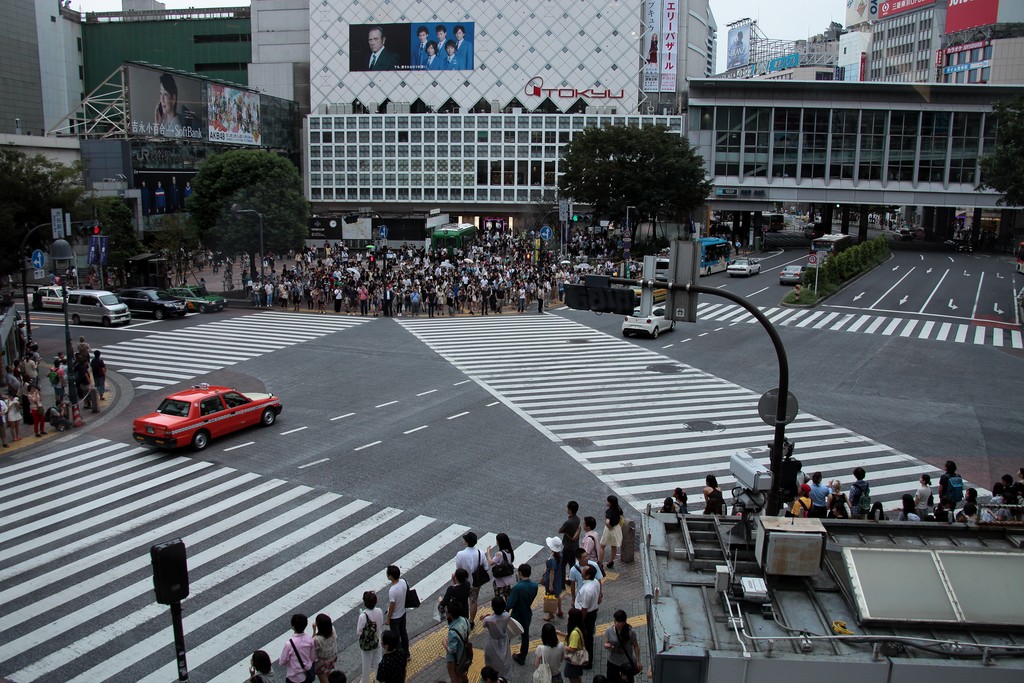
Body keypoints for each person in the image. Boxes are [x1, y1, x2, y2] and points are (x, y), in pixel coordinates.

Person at [455, 531, 490, 627]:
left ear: (466, 542)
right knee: (473, 601)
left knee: (462, 601)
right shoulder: (480, 553)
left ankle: (463, 621)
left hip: (463, 582)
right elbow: (486, 568)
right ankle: (471, 621)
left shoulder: (460, 554)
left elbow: (458, 569)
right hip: (475, 583)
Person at [507, 563, 539, 665]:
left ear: (520, 573)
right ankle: (522, 656)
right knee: (525, 636)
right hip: (527, 614)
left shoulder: (517, 588)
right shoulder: (535, 586)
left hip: (516, 615)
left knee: (507, 635)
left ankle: (505, 654)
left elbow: (510, 604)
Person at [604, 609, 641, 683]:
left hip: (626, 663)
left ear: (624, 622)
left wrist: (638, 661)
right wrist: (607, 646)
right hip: (613, 661)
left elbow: (636, 646)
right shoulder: (609, 630)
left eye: (619, 622)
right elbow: (605, 643)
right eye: (615, 621)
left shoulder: (630, 632)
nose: (617, 624)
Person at [153, 72, 196, 137]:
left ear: (173, 98)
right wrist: (157, 124)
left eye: (165, 94)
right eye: (160, 94)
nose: (162, 99)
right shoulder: (164, 122)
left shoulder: (179, 128)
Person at [574, 565, 600, 668]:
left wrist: (580, 620)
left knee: (586, 638)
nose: (581, 571)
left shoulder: (587, 590)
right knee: (588, 636)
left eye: (584, 571)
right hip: (592, 612)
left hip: (587, 615)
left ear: (588, 575)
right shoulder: (595, 582)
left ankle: (588, 661)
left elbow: (584, 609)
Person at [279, 613, 316, 683]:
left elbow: (282, 661)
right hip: (307, 675)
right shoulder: (310, 640)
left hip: (293, 677)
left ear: (292, 626)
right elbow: (313, 657)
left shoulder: (289, 644)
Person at [357, 591, 384, 683]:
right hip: (377, 640)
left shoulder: (362, 616)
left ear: (365, 603)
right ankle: (378, 679)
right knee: (378, 661)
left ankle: (365, 681)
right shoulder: (379, 611)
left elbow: (359, 632)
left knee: (366, 665)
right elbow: (380, 624)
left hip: (366, 645)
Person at [483, 595, 513, 678]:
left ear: (493, 607)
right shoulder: (507, 616)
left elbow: (484, 624)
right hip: (504, 640)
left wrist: (487, 616)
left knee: (491, 660)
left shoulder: (488, 620)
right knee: (505, 659)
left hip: (492, 642)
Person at [384, 565, 410, 659]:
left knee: (396, 638)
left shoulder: (392, 590)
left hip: (395, 617)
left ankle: (400, 656)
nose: (387, 575)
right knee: (404, 633)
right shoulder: (403, 582)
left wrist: (388, 619)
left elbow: (392, 607)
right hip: (403, 613)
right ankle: (406, 653)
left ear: (391, 576)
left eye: (388, 574)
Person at [445, 601, 471, 683]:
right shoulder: (465, 620)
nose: (445, 613)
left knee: (454, 677)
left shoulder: (452, 631)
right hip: (464, 653)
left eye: (447, 612)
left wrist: (444, 643)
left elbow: (452, 650)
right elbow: (468, 631)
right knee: (463, 672)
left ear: (450, 614)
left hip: (455, 658)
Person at [557, 501, 581, 590]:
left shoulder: (568, 522)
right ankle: (572, 582)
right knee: (572, 564)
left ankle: (562, 584)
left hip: (568, 547)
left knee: (562, 565)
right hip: (575, 546)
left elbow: (560, 530)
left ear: (570, 510)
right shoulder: (577, 519)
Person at [541, 536, 565, 621]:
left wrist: (550, 584)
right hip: (558, 579)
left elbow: (552, 572)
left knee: (550, 596)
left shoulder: (552, 559)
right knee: (557, 595)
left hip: (552, 580)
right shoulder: (560, 556)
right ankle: (559, 610)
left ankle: (551, 614)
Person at [487, 532, 516, 600]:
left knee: (499, 598)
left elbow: (491, 563)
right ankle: (507, 609)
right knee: (508, 596)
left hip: (499, 580)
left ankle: (501, 609)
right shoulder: (510, 551)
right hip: (508, 579)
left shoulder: (500, 554)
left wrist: (488, 552)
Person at [562, 608, 586, 683]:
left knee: (573, 678)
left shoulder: (574, 633)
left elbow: (572, 649)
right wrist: (560, 633)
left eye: (568, 615)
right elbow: (571, 637)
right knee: (576, 677)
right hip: (577, 660)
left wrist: (562, 646)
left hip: (573, 661)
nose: (567, 616)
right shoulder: (578, 628)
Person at [599, 495, 623, 569]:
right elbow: (621, 514)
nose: (606, 502)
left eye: (607, 501)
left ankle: (600, 563)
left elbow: (607, 522)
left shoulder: (609, 511)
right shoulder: (618, 508)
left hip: (610, 530)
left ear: (610, 503)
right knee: (614, 546)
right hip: (617, 529)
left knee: (602, 546)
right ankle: (610, 562)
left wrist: (610, 528)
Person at [313, 613, 337, 683]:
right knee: (328, 674)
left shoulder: (317, 639)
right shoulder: (332, 630)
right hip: (332, 658)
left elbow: (312, 647)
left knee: (323, 680)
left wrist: (314, 631)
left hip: (321, 664)